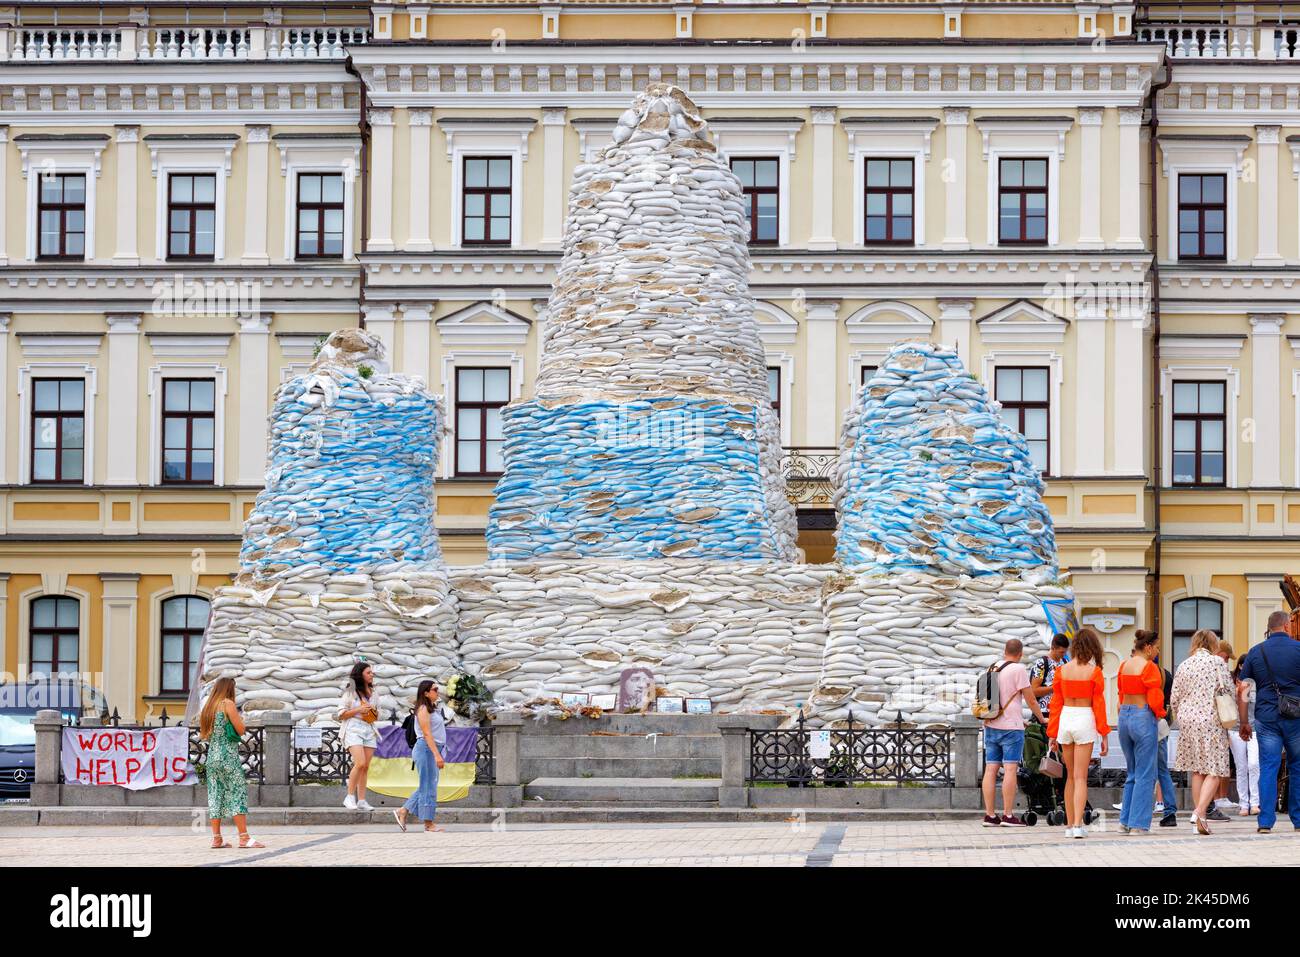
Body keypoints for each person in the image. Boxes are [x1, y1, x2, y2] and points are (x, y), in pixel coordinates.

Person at [1238, 610, 1300, 834]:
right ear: (1286, 626)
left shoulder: (1256, 652)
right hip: (1296, 718)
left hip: (1266, 718)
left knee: (1268, 768)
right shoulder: (1298, 649)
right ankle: (1298, 820)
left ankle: (1265, 821)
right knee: (1298, 767)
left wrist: (1244, 721)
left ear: (1269, 628)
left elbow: (1243, 689)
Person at [1170, 629, 1234, 835]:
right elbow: (1229, 692)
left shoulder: (1184, 664)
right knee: (1215, 770)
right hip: (1211, 720)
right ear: (1213, 644)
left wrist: (1181, 715)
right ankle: (1199, 811)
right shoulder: (1218, 663)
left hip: (1187, 721)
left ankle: (1201, 819)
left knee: (1197, 770)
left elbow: (1174, 698)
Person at [1047, 627, 1110, 838]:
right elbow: (1099, 705)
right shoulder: (1094, 672)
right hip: (1084, 718)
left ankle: (1068, 826)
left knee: (1070, 778)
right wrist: (1104, 735)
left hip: (1065, 717)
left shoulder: (1061, 670)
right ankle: (1077, 826)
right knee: (1081, 777)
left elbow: (1055, 704)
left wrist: (1052, 734)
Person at [981, 638, 1049, 827]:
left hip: (991, 724)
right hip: (1011, 728)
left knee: (991, 769)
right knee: (1010, 769)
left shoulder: (993, 667)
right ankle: (1008, 815)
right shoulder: (1018, 669)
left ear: (1005, 651)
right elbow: (1031, 699)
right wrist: (1041, 719)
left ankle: (989, 815)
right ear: (1020, 654)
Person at [198, 677, 265, 849]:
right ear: (229, 689)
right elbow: (241, 729)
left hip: (212, 757)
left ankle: (216, 838)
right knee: (237, 792)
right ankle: (244, 837)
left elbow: (204, 734)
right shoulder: (227, 704)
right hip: (228, 755)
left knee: (215, 794)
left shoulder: (208, 707)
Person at [1116, 630, 1166, 833]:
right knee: (1146, 774)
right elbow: (1155, 698)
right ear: (1147, 647)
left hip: (1124, 717)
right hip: (1142, 716)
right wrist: (1161, 714)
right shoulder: (1149, 667)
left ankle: (1124, 822)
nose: (1156, 652)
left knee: (1132, 773)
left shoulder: (1123, 665)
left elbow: (1120, 694)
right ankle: (1138, 825)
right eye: (1156, 648)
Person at [394, 680, 447, 834]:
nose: (437, 691)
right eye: (434, 689)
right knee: (428, 786)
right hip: (426, 749)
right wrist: (437, 755)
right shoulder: (423, 709)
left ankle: (403, 811)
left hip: (431, 748)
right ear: (425, 692)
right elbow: (426, 734)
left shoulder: (433, 708)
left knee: (428, 784)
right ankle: (428, 824)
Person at [339, 662, 380, 811]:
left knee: (366, 767)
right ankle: (349, 796)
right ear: (360, 674)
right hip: (353, 728)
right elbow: (341, 714)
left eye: (372, 672)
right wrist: (359, 709)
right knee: (360, 763)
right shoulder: (350, 692)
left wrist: (371, 713)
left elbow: (378, 715)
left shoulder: (374, 693)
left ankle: (362, 800)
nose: (372, 675)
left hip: (369, 729)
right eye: (369, 672)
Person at [1229, 657, 1261, 817]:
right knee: (1241, 767)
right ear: (1241, 666)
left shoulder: (1258, 682)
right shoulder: (1232, 682)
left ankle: (1255, 802)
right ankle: (1244, 804)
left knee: (1254, 764)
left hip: (1255, 728)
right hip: (1235, 729)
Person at [1152, 647, 1179, 826]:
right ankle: (1170, 811)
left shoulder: (1139, 672)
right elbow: (1172, 701)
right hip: (1162, 724)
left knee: (1141, 770)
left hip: (1143, 723)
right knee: (1162, 770)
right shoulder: (1165, 674)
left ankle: (1136, 811)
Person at [1029, 633, 1071, 715]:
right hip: (1045, 712)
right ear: (1053, 648)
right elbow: (1034, 691)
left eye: (1065, 652)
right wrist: (1055, 687)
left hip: (1062, 711)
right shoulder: (1042, 663)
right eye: (1061, 652)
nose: (1063, 655)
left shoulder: (1066, 663)